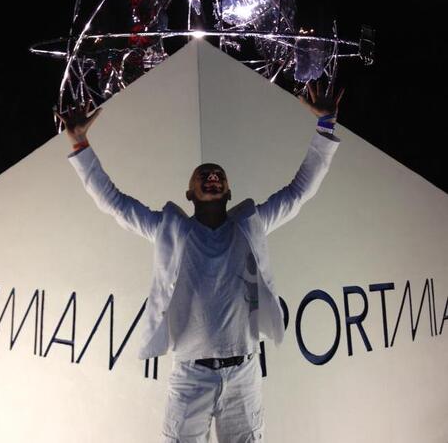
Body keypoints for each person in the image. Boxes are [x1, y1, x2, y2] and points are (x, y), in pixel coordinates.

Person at [57, 81, 344, 442]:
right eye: (203, 175)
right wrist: (79, 144)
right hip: (190, 377)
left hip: (244, 375)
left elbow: (299, 192)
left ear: (229, 192)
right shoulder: (170, 229)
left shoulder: (250, 226)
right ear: (189, 194)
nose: (212, 177)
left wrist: (325, 126)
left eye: (218, 175)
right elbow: (114, 202)